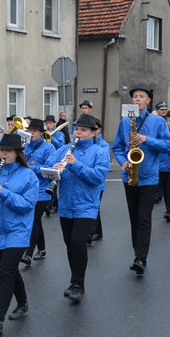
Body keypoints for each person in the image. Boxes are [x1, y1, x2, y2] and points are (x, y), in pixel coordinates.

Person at [0, 134, 38, 335]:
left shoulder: (29, 175)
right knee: (10, 271)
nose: (4, 154)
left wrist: (3, 192)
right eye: (2, 150)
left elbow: (27, 205)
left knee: (5, 272)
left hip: (18, 230)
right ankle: (23, 303)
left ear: (18, 153)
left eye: (9, 151)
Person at [111, 84, 170, 275]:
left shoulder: (158, 121)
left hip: (149, 176)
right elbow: (118, 147)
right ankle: (137, 252)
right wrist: (122, 161)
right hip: (129, 175)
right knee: (134, 217)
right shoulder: (124, 122)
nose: (137, 99)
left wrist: (147, 140)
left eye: (141, 96)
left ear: (148, 100)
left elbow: (168, 146)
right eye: (135, 96)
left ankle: (140, 258)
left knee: (144, 217)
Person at [50, 114, 110, 303]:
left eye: (84, 130)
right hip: (66, 204)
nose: (79, 133)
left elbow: (97, 177)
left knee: (78, 242)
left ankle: (79, 284)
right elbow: (46, 166)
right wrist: (54, 170)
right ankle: (73, 280)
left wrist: (75, 165)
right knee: (70, 245)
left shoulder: (99, 151)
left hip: (87, 205)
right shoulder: (65, 149)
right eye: (77, 130)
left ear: (93, 132)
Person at [21, 118, 55, 264]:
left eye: (34, 131)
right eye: (29, 131)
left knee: (33, 221)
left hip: (42, 190)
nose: (31, 133)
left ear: (41, 133)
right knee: (36, 221)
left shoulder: (49, 148)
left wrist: (30, 168)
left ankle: (27, 254)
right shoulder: (26, 146)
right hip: (27, 189)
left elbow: (49, 170)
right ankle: (42, 249)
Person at [89, 119, 110, 244]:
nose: (94, 131)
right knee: (94, 206)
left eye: (95, 129)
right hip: (87, 179)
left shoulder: (104, 145)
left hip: (98, 182)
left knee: (94, 206)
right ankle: (97, 231)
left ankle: (91, 233)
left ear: (99, 129)